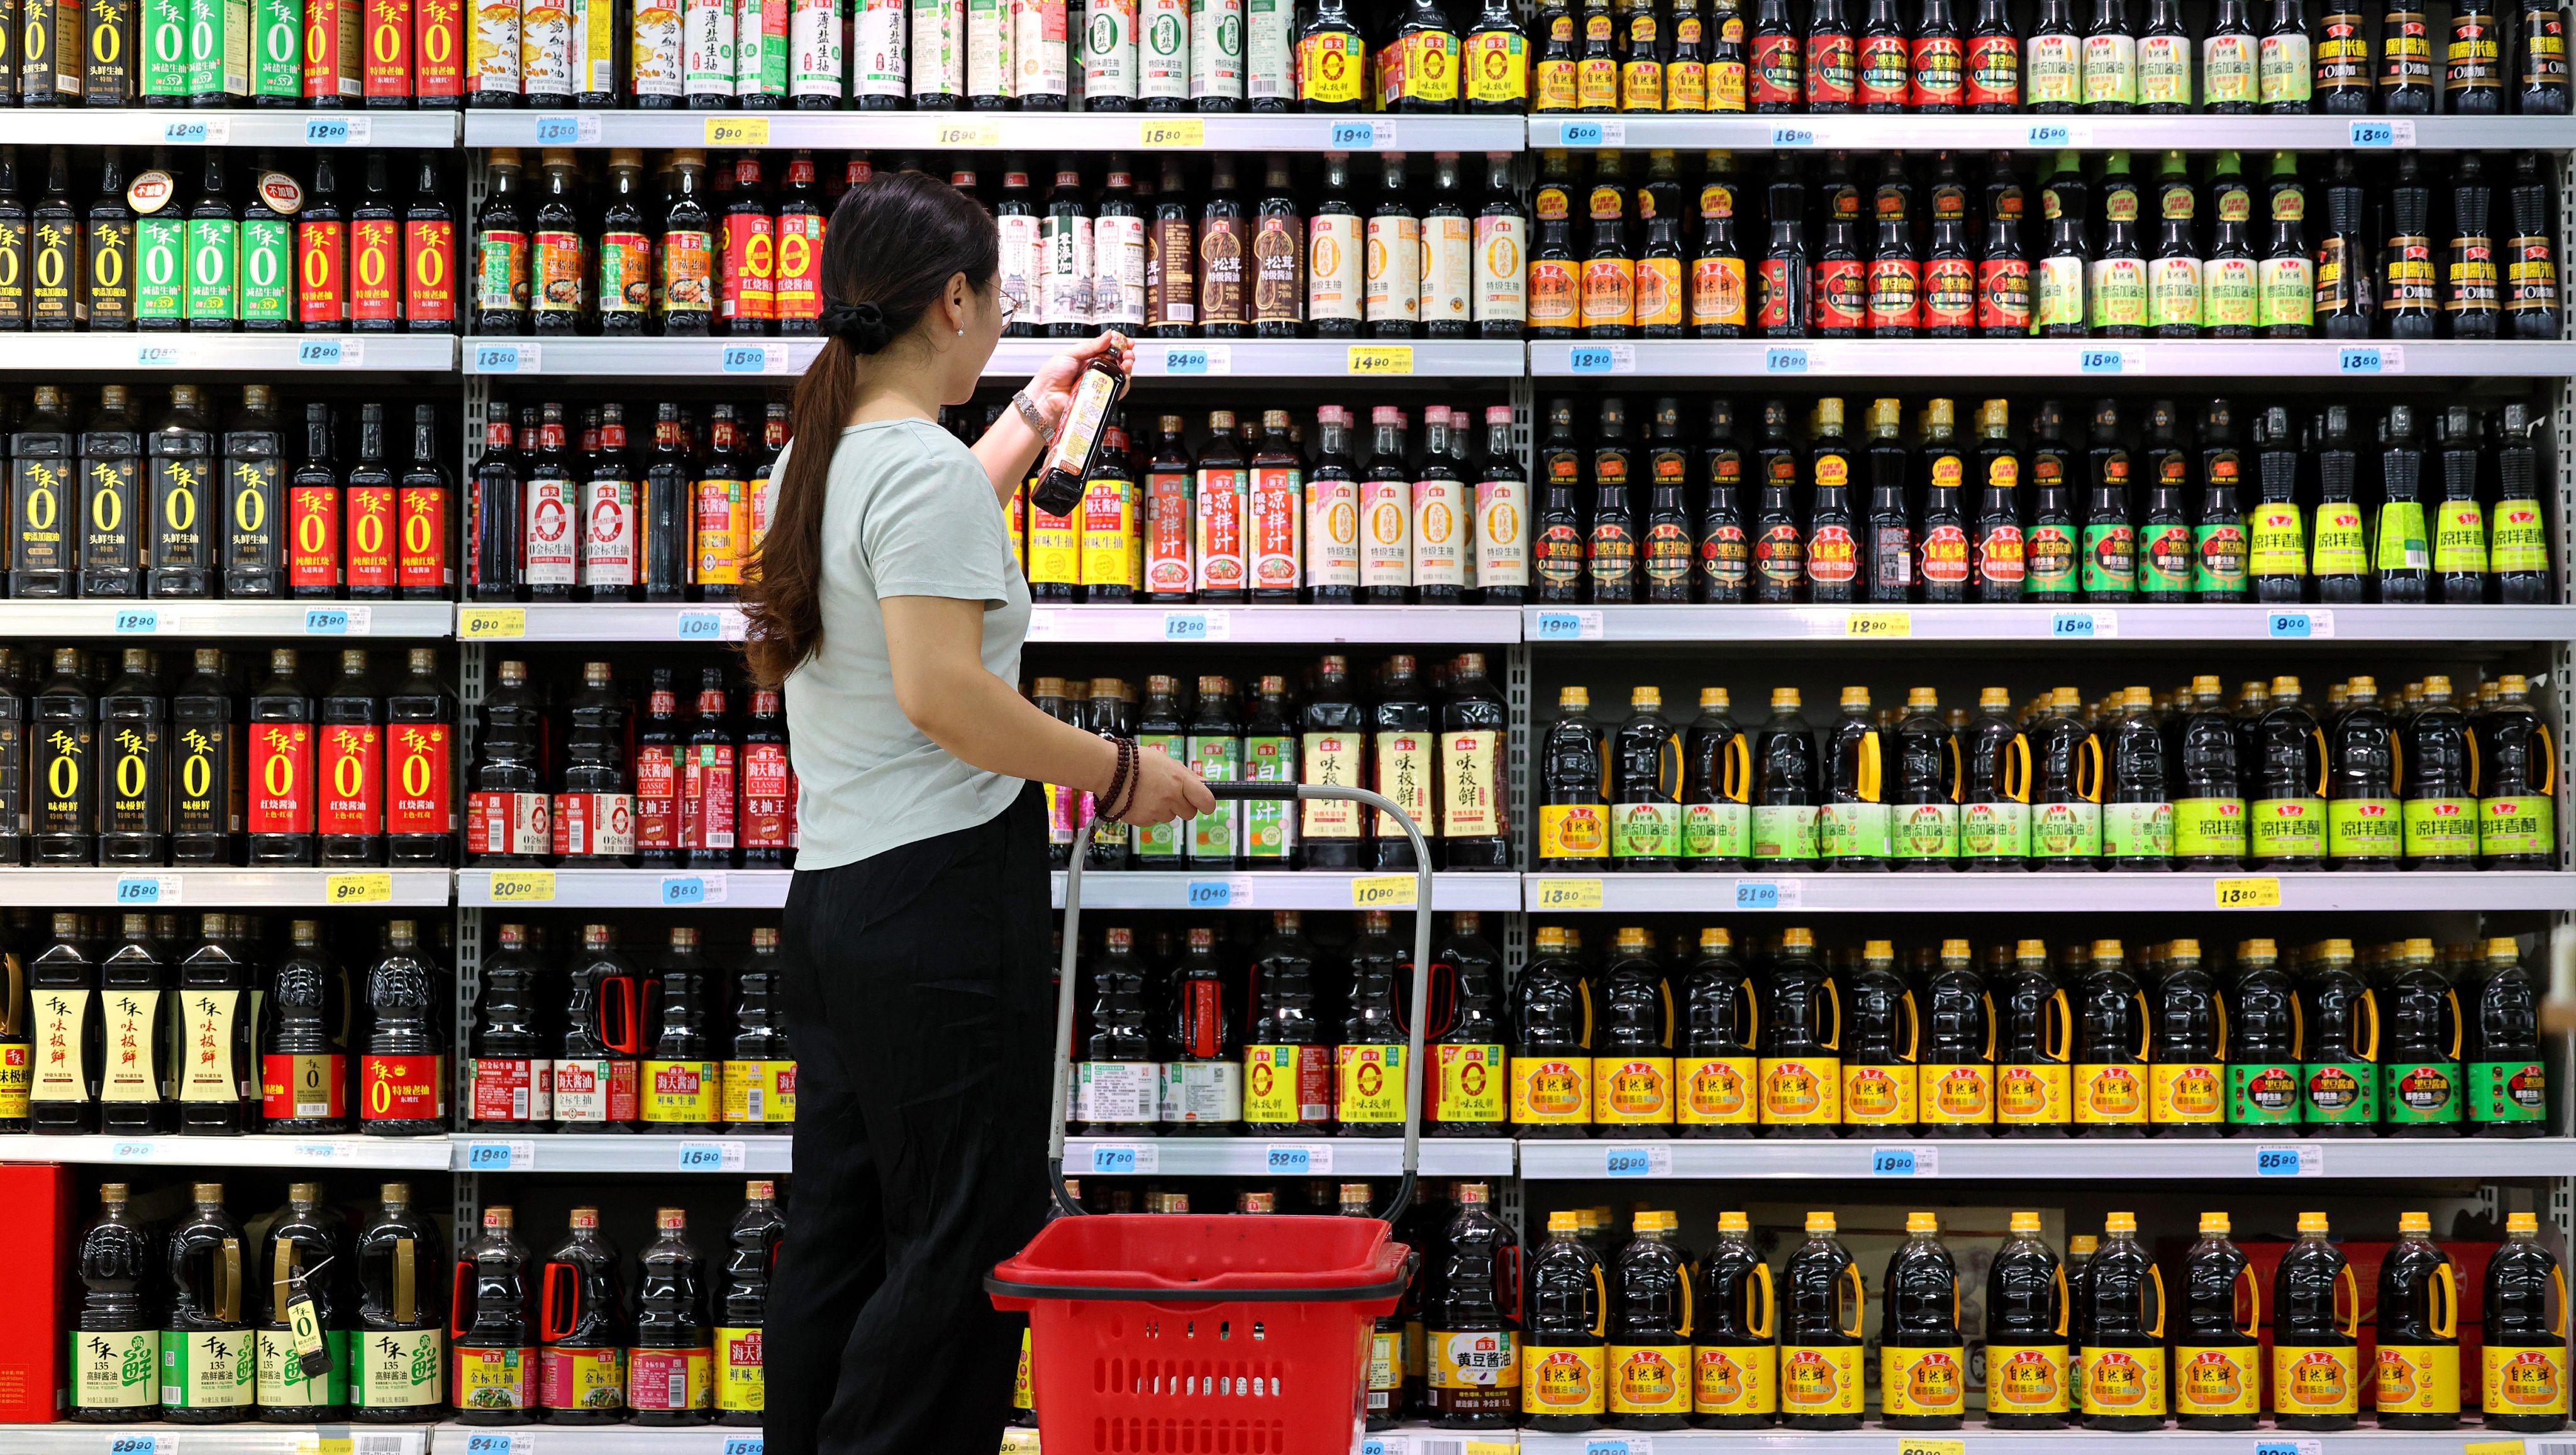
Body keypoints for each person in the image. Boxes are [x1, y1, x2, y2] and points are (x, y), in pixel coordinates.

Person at [740, 169, 1212, 1455]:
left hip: (838, 901)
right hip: (943, 904)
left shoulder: (818, 454)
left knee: (841, 1229)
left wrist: (1025, 422)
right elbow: (944, 692)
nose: (1001, 319)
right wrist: (1118, 773)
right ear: (952, 300)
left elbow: (914, 538)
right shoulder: (916, 474)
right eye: (994, 297)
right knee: (963, 1235)